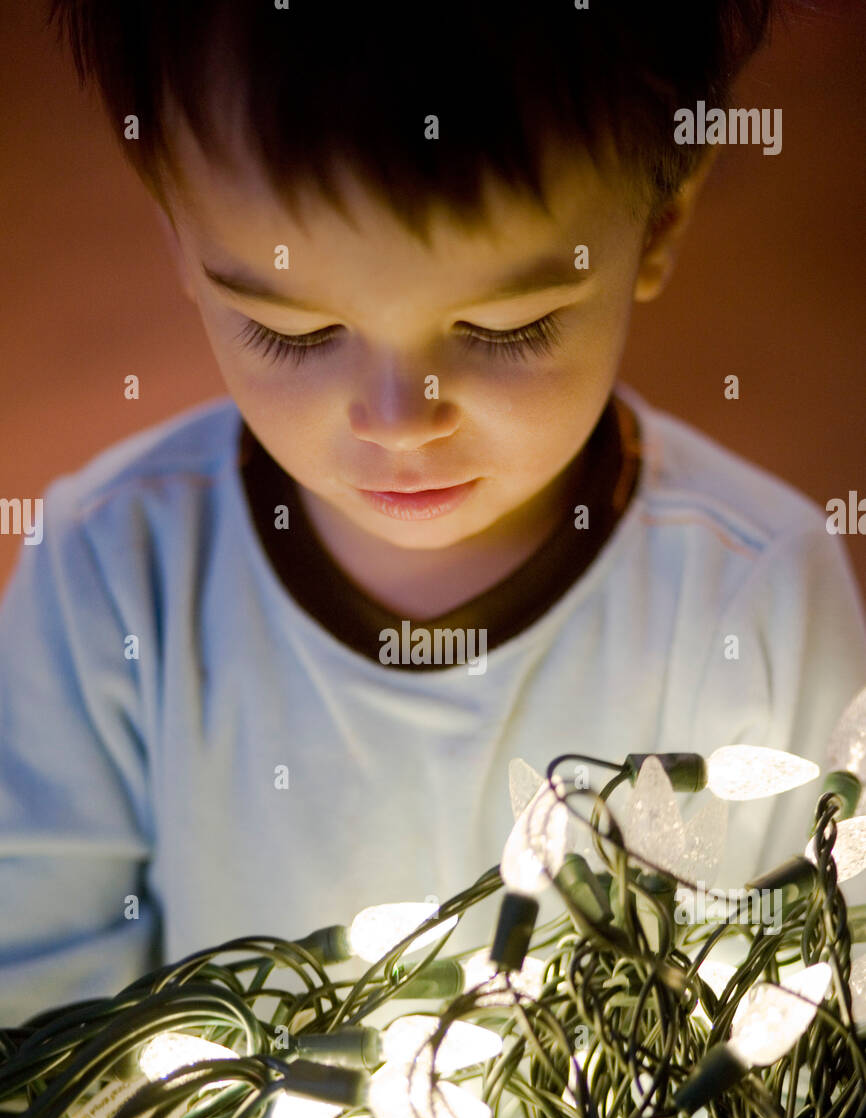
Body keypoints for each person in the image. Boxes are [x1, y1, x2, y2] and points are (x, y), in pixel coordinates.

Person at [1, 1, 864, 1023]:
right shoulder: (114, 571)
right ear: (182, 244)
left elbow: (808, 1013)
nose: (398, 421)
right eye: (294, 330)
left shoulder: (751, 599)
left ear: (659, 221)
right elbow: (36, 1006)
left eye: (506, 327)